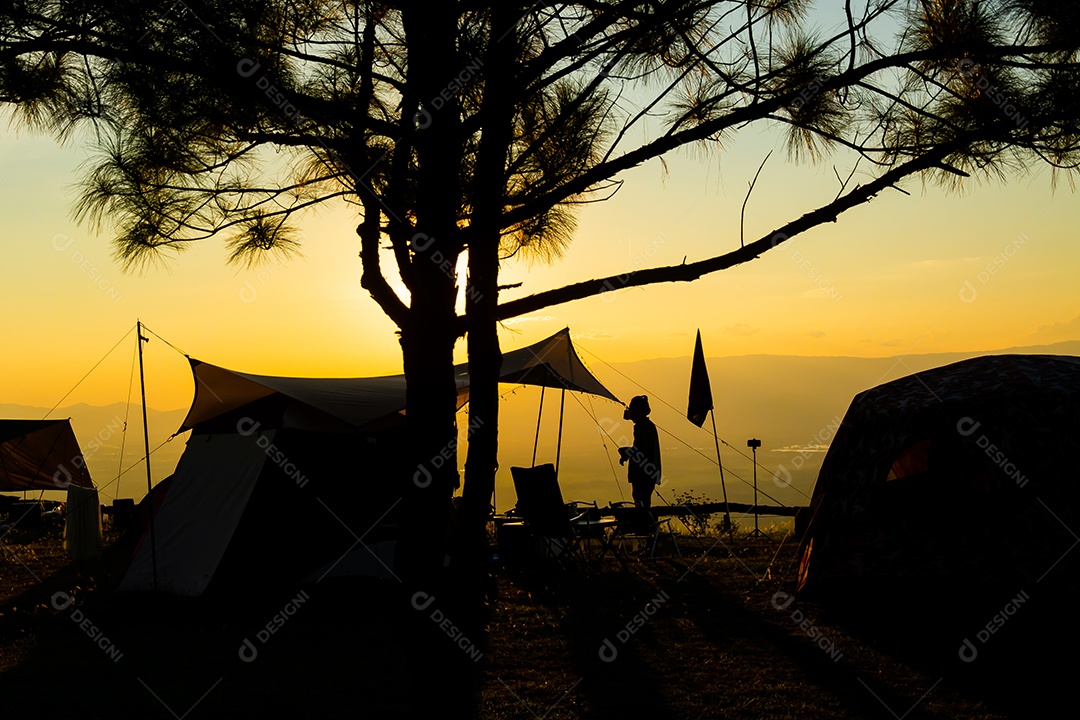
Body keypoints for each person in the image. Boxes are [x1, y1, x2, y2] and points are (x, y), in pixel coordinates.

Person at [619, 395, 662, 509]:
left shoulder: (646, 427)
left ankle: (645, 525)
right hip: (644, 473)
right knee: (639, 500)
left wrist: (627, 452)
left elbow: (644, 451)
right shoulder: (643, 426)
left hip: (644, 474)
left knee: (642, 503)